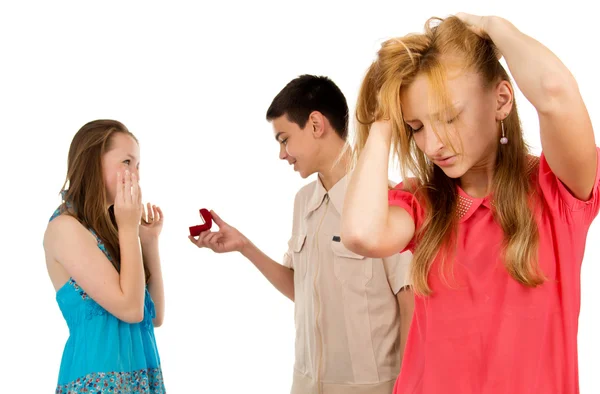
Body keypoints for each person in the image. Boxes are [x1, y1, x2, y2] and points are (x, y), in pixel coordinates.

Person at [341, 14, 599, 394]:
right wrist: (383, 121)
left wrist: (493, 26)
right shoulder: (421, 204)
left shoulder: (556, 190)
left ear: (501, 100)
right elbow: (360, 234)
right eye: (416, 127)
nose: (433, 145)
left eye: (449, 117)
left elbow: (555, 92)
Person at [190, 75, 414, 394]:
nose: (283, 154)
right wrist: (244, 246)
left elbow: (411, 306)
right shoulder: (302, 203)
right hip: (305, 385)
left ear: (315, 124)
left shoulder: (385, 201)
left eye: (284, 139)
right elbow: (301, 288)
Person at [43, 119, 166, 393]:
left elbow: (153, 315)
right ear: (93, 162)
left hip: (139, 375)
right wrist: (128, 227)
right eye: (126, 162)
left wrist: (148, 242)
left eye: (137, 165)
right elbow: (130, 309)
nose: (135, 174)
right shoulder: (66, 228)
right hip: (96, 380)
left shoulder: (112, 230)